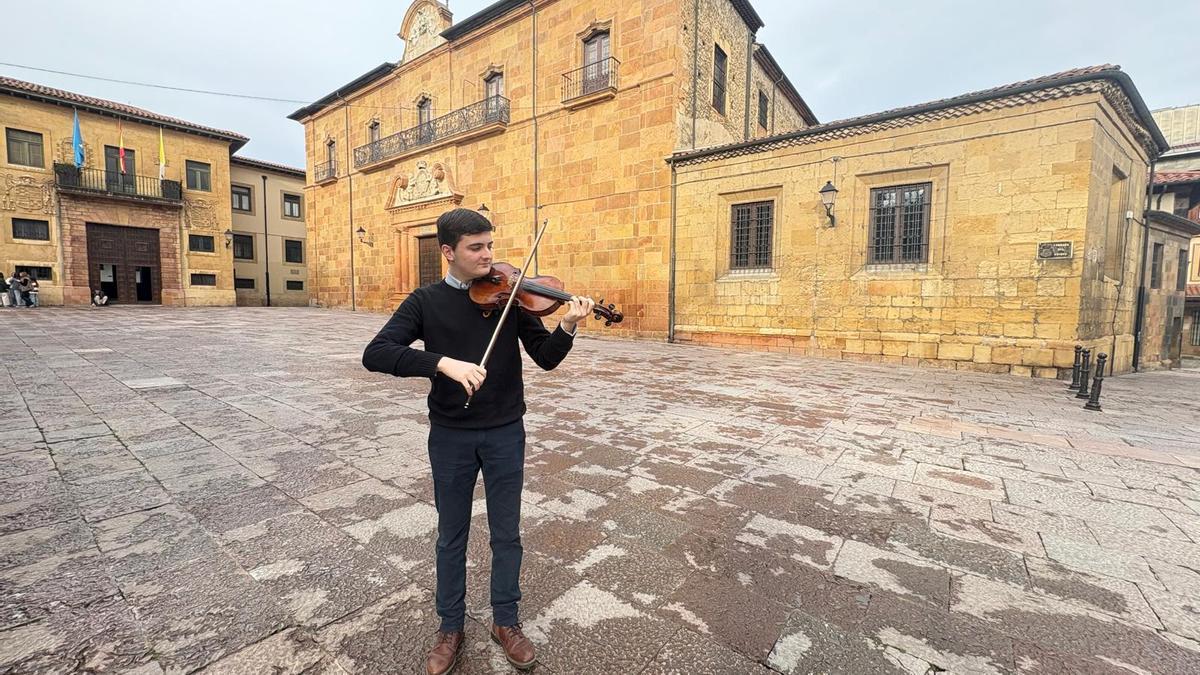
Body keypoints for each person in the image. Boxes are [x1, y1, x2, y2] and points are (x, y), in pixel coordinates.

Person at [362, 208, 594, 674]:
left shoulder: (511, 298)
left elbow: (546, 358)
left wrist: (567, 326)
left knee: (507, 532)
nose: (489, 256)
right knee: (452, 535)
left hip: (506, 430)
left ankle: (505, 621)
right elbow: (376, 353)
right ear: (448, 252)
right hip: (450, 435)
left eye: (489, 244)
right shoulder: (425, 301)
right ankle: (450, 626)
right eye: (476, 247)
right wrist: (441, 363)